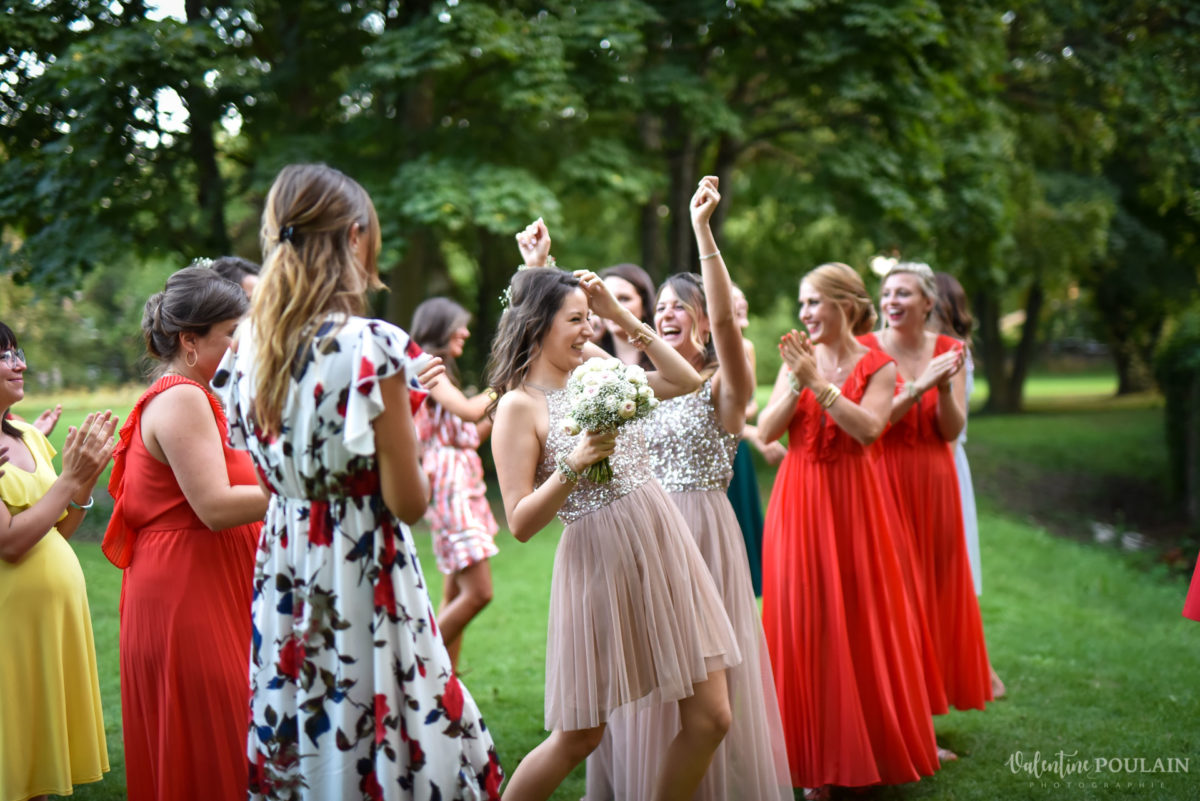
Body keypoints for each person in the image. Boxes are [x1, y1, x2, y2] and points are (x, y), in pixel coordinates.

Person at [211, 163, 502, 800]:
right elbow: (408, 500)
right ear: (353, 235)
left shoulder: (245, 349)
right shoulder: (372, 347)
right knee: (382, 731)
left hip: (285, 564)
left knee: (306, 725)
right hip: (361, 567)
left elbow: (254, 458)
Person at [489, 220, 738, 801]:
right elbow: (520, 522)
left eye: (588, 317)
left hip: (660, 538)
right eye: (576, 319)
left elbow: (682, 379)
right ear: (538, 325)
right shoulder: (517, 409)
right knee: (579, 736)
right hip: (598, 557)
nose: (587, 328)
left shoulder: (595, 369)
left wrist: (623, 318)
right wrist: (573, 464)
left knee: (712, 717)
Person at [585, 178, 791, 800]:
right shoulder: (642, 381)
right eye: (661, 306)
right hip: (645, 533)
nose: (666, 312)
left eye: (681, 305)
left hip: (704, 531)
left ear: (703, 319)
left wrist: (703, 231)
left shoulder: (724, 385)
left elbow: (729, 320)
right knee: (648, 681)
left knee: (709, 691)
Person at [757, 264, 939, 795]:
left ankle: (862, 752)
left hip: (855, 506)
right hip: (798, 501)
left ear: (845, 305)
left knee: (854, 623)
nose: (805, 314)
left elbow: (869, 430)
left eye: (814, 302)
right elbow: (768, 432)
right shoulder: (796, 361)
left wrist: (818, 383)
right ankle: (806, 761)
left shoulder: (878, 366)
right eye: (802, 304)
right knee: (802, 622)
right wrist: (796, 381)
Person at [101, 265, 269, 801]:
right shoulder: (182, 397)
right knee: (213, 746)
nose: (240, 350)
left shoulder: (193, 394)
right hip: (188, 600)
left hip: (199, 590)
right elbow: (216, 506)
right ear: (188, 340)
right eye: (230, 337)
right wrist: (307, 488)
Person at [860, 261, 993, 735]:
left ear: (928, 302)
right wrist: (916, 388)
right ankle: (899, 713)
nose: (892, 301)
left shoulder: (950, 350)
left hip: (936, 482)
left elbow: (952, 430)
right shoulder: (867, 350)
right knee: (895, 597)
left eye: (904, 294)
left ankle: (924, 714)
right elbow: (871, 427)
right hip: (882, 480)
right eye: (887, 293)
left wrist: (943, 387)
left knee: (934, 593)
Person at [0, 323, 118, 801]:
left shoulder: (27, 434)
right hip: (11, 623)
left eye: (18, 353)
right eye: (5, 356)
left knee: (38, 759)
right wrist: (68, 483)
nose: (20, 364)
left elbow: (58, 531)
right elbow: (9, 543)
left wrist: (84, 482)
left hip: (51, 621)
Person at [927, 271, 1006, 700]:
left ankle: (976, 669)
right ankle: (977, 670)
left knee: (950, 575)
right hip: (942, 466)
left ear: (939, 306)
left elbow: (951, 431)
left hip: (945, 468)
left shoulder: (955, 354)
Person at [410, 297, 500, 672]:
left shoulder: (445, 369)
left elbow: (469, 434)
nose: (464, 332)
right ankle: (414, 665)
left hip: (461, 479)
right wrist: (506, 383)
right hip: (450, 487)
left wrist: (508, 405)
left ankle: (445, 683)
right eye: (458, 325)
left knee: (453, 592)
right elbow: (470, 411)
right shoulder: (426, 367)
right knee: (478, 592)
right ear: (438, 328)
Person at [725, 283, 785, 596]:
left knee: (742, 528)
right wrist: (755, 433)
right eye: (734, 300)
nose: (742, 302)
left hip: (739, 450)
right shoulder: (706, 352)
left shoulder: (746, 347)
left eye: (743, 298)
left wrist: (743, 413)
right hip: (720, 448)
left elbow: (751, 403)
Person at [595, 262, 657, 370]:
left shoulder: (664, 356)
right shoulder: (590, 355)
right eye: (608, 299)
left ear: (644, 305)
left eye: (624, 298)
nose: (613, 307)